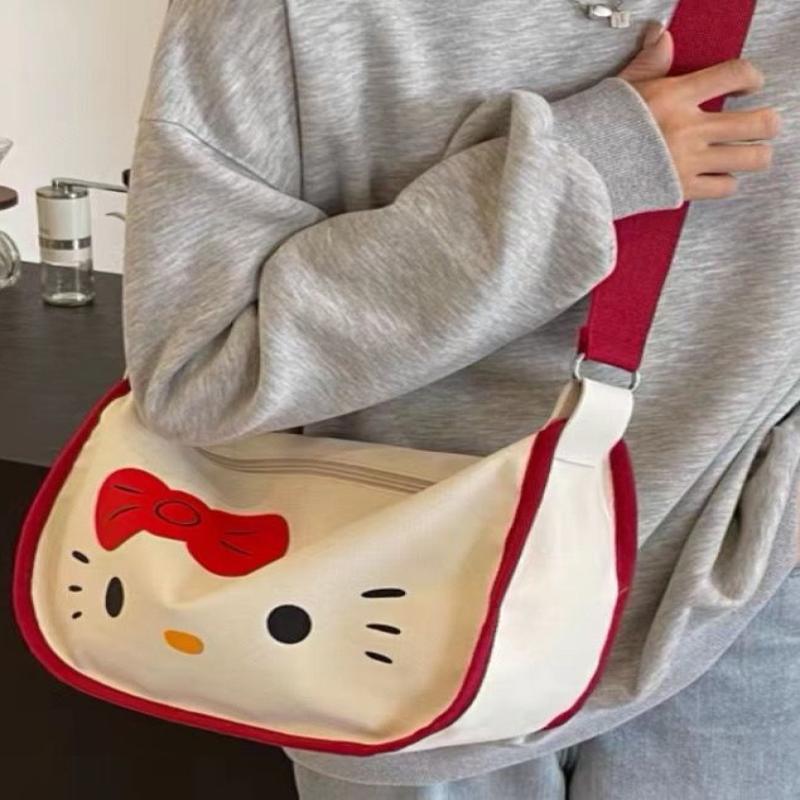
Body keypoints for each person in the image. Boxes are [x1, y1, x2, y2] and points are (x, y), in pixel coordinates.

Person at [121, 1, 799, 797]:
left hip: (740, 617)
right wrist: (570, 177)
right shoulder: (277, 16)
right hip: (393, 633)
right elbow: (195, 373)